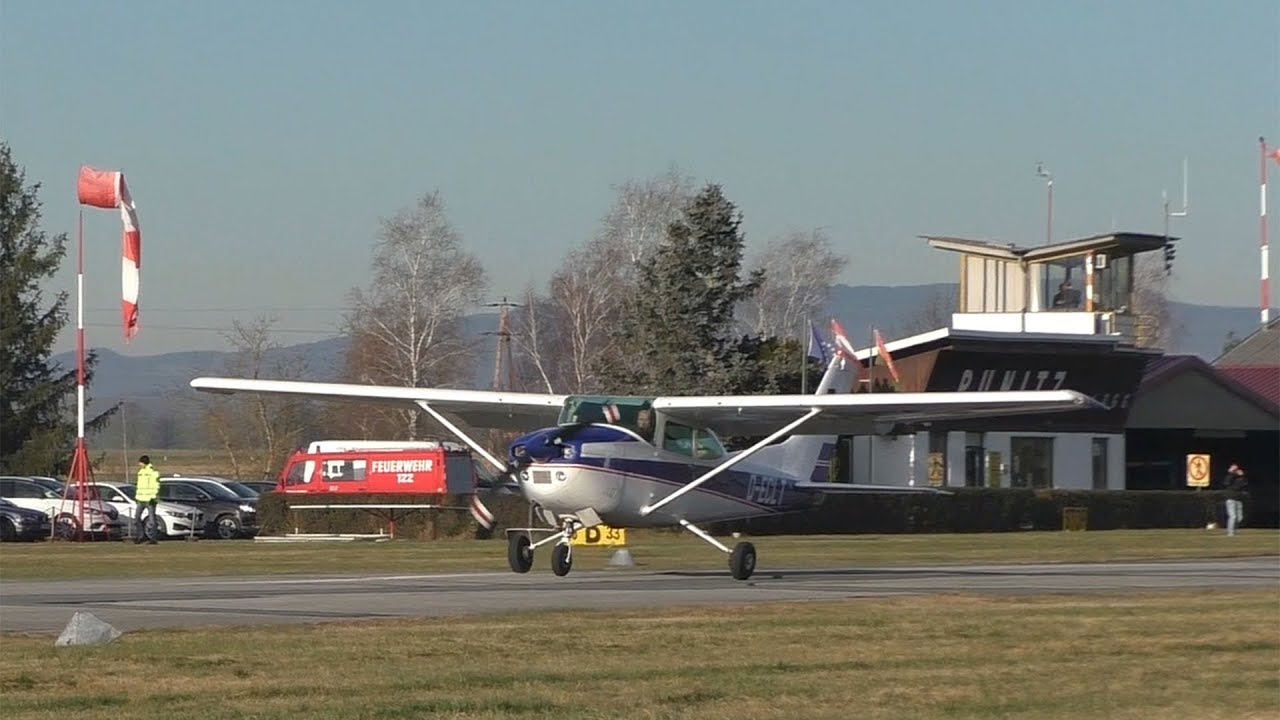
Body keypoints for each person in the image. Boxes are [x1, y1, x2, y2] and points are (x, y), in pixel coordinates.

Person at [134, 454, 161, 545]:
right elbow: (139, 487)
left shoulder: (153, 473)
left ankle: (152, 538)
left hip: (150, 500)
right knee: (137, 518)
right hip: (141, 499)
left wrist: (153, 497)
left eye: (140, 462)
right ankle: (141, 536)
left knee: (152, 520)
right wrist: (137, 497)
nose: (139, 464)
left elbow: (156, 486)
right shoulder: (140, 472)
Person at [1221, 463, 1248, 537]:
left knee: (1239, 518)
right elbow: (1226, 482)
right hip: (1231, 499)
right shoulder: (1230, 477)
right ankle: (1230, 533)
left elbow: (1244, 484)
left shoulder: (1240, 479)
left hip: (1238, 500)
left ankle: (1233, 531)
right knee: (1233, 516)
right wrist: (1231, 472)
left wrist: (1242, 475)